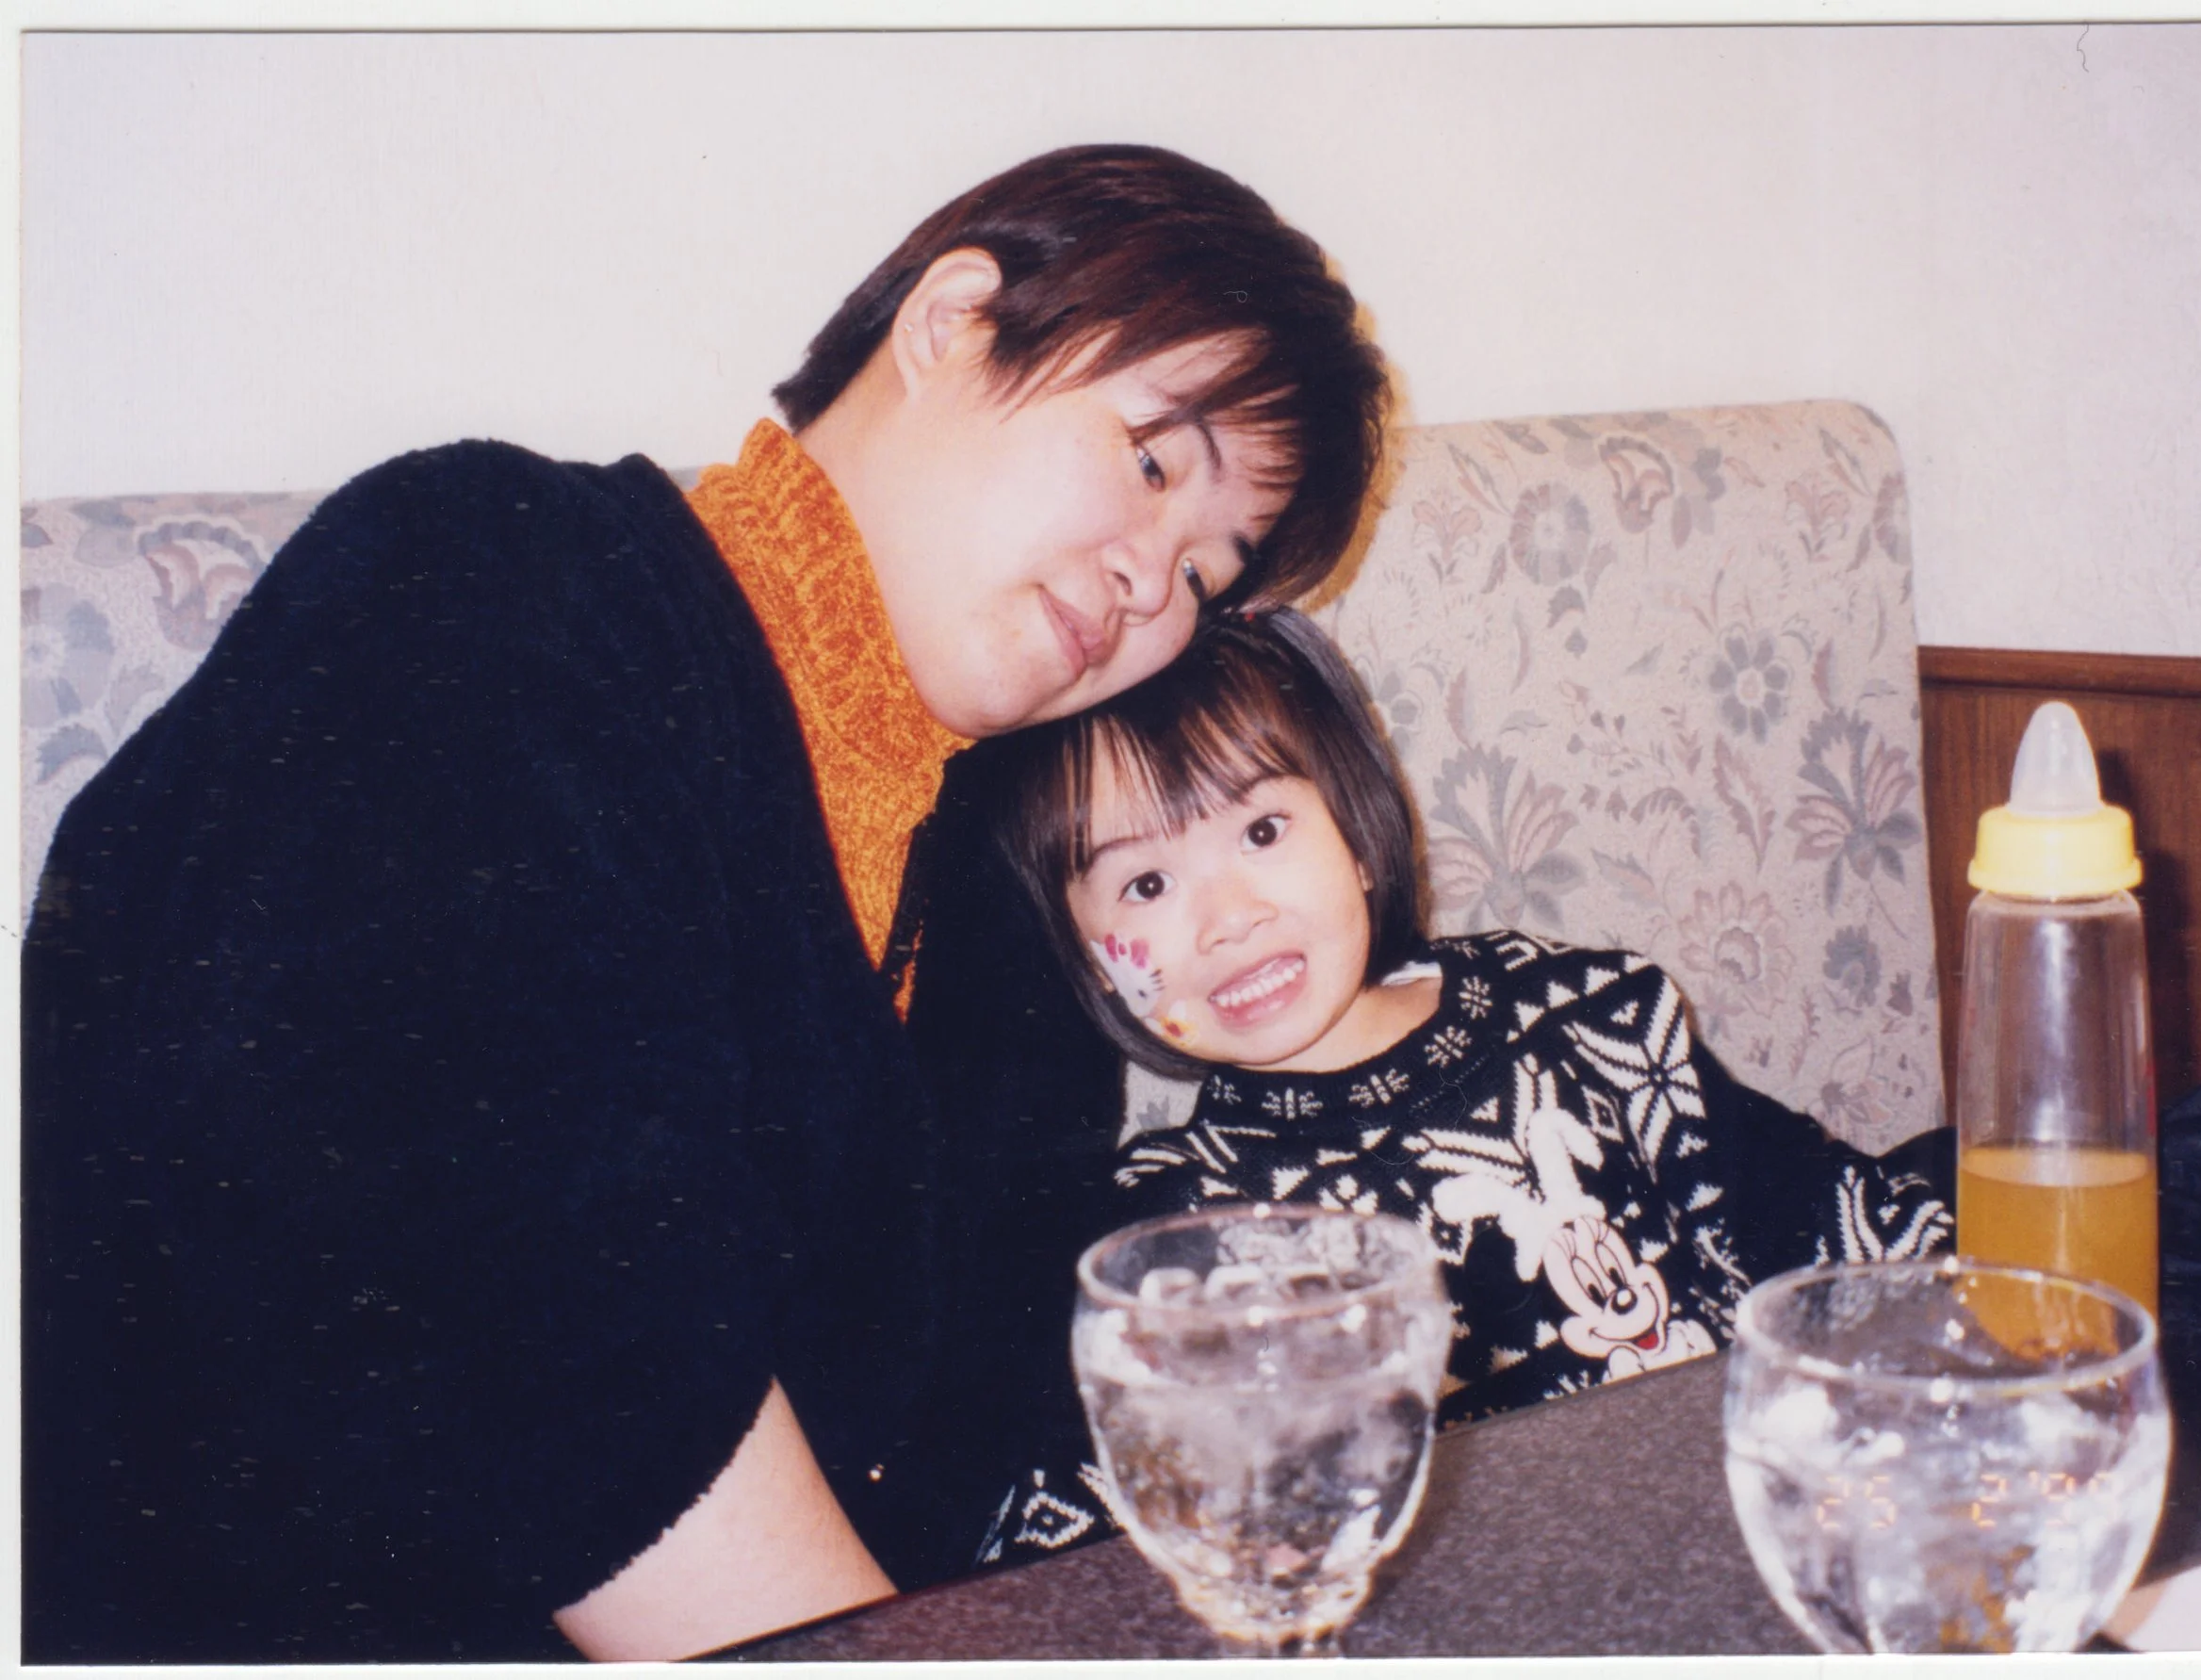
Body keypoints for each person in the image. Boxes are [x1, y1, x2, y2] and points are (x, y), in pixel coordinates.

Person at [21, 145, 1388, 1663]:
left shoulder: (991, 884)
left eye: (1208, 570)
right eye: (1150, 461)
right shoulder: (488, 586)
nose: (1153, 587)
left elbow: (990, 1425)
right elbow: (560, 1367)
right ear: (949, 322)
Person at [991, 608, 1955, 1441]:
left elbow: (1830, 1227)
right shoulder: (1174, 1231)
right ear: (1091, 961)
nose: (1228, 917)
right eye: (1146, 884)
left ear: (1356, 830)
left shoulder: (1586, 1013)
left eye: (1261, 831)